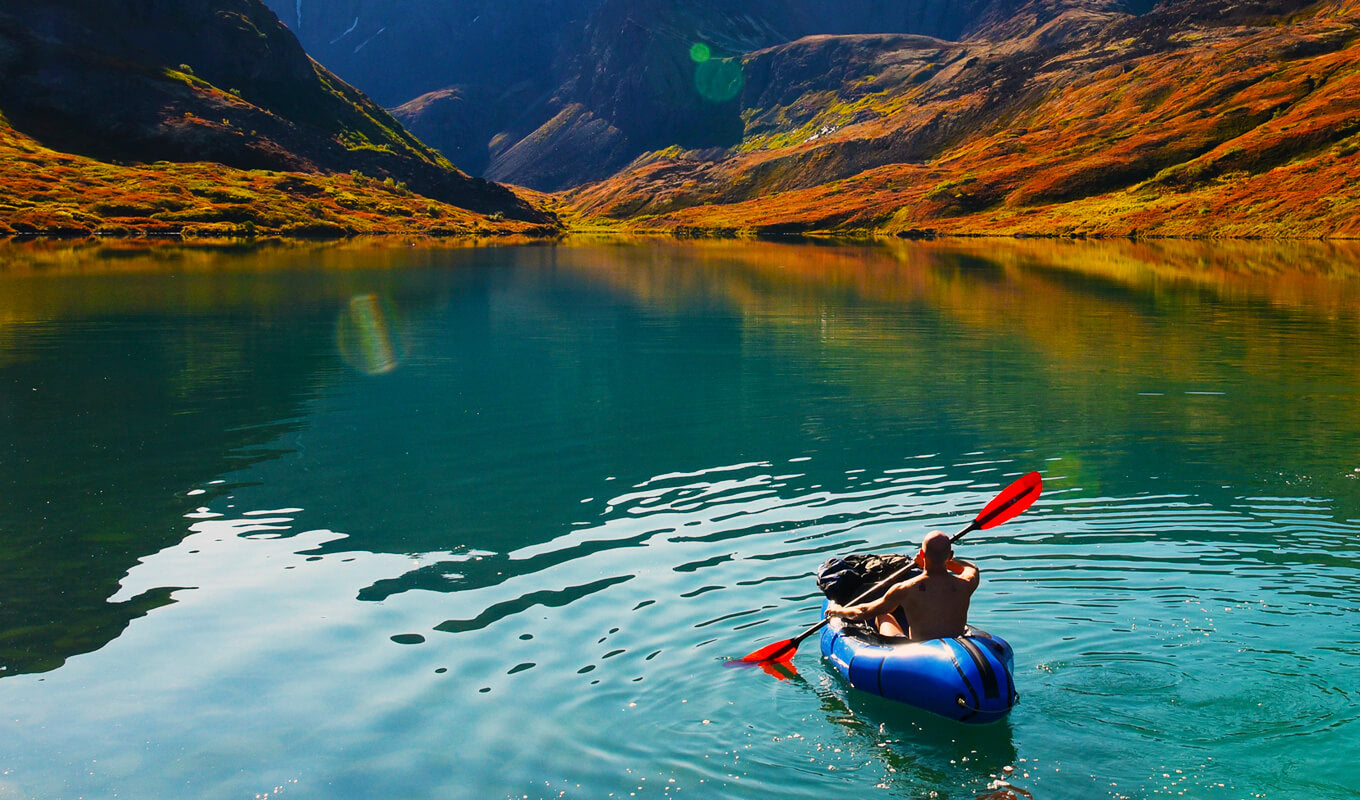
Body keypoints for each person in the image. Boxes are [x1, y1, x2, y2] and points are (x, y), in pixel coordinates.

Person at [824, 531, 979, 640]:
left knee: (883, 614)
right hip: (957, 643)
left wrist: (839, 611)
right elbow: (971, 568)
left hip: (921, 651)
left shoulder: (906, 589)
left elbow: (864, 611)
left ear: (922, 554)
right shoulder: (965, 584)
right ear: (950, 556)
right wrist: (946, 560)